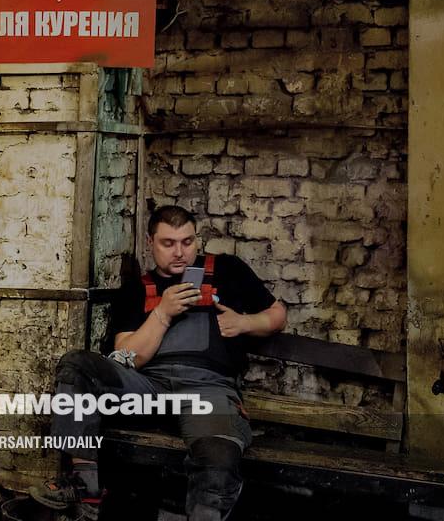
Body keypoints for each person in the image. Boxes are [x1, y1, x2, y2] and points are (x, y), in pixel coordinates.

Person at [30, 205, 287, 521]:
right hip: (149, 387)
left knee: (218, 457)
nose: (180, 252)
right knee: (76, 365)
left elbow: (278, 315)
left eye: (187, 242)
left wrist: (245, 323)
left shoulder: (228, 270)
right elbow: (126, 357)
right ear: (151, 242)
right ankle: (85, 483)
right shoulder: (137, 289)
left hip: (208, 389)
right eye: (168, 243)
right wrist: (162, 314)